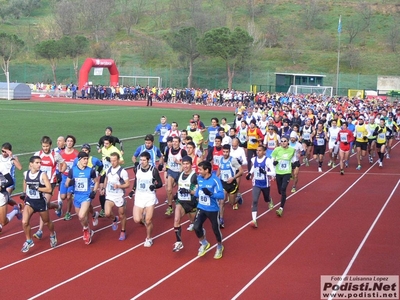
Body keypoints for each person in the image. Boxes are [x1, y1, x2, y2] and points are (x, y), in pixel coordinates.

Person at [20, 156, 57, 253]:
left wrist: (37, 188)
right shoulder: (26, 173)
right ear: (31, 164)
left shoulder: (42, 175)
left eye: (40, 162)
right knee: (24, 222)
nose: (39, 164)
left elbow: (49, 189)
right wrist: (24, 192)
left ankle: (52, 234)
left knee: (46, 222)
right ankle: (29, 241)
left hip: (40, 201)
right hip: (30, 201)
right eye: (37, 162)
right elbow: (25, 181)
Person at [33, 136, 67, 240]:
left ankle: (40, 230)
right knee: (45, 204)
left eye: (47, 146)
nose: (45, 148)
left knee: (43, 205)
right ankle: (57, 206)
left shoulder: (55, 155)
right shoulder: (37, 155)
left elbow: (64, 164)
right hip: (40, 182)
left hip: (50, 182)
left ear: (50, 145)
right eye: (43, 146)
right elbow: (32, 166)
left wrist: (60, 172)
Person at [129, 152, 163, 247]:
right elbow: (136, 180)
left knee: (148, 220)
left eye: (144, 160)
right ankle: (144, 220)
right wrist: (133, 190)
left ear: (148, 160)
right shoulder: (137, 169)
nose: (142, 162)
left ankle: (148, 238)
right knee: (137, 219)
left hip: (149, 197)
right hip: (139, 197)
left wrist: (154, 186)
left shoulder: (153, 170)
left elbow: (160, 183)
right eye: (141, 160)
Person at [65, 151, 99, 245]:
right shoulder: (73, 170)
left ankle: (85, 230)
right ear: (79, 159)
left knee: (81, 215)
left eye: (87, 159)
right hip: (77, 197)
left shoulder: (90, 170)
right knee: (81, 218)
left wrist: (94, 192)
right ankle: (88, 230)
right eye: (84, 159)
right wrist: (70, 183)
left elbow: (96, 182)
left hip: (86, 196)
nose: (86, 161)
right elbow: (66, 184)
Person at [194, 161, 225, 259]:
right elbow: (198, 191)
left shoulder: (215, 180)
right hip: (201, 207)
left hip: (212, 209)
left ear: (207, 170)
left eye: (200, 169)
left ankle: (220, 246)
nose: (198, 171)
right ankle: (204, 243)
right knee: (196, 226)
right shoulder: (199, 178)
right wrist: (192, 194)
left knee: (215, 229)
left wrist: (211, 194)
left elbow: (222, 195)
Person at [101, 152, 130, 241]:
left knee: (122, 215)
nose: (112, 162)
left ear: (118, 160)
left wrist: (119, 186)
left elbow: (128, 184)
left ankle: (123, 230)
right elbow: (106, 178)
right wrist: (104, 188)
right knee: (107, 213)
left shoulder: (122, 171)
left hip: (119, 196)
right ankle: (114, 220)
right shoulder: (108, 169)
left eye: (114, 160)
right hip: (109, 195)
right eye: (111, 160)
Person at [172, 156, 198, 252]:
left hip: (192, 203)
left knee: (195, 225)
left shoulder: (195, 176)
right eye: (184, 164)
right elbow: (178, 187)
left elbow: (197, 192)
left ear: (191, 164)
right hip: (181, 202)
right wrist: (176, 194)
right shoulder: (180, 175)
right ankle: (179, 242)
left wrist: (188, 191)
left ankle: (202, 237)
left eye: (187, 164)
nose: (185, 166)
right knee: (176, 219)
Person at [245, 145, 275, 227]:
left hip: (265, 184)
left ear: (264, 152)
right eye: (257, 150)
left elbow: (273, 173)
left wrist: (265, 172)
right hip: (256, 183)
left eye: (260, 150)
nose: (258, 152)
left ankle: (269, 199)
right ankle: (254, 220)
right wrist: (249, 174)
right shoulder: (253, 159)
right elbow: (253, 167)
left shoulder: (267, 161)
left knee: (266, 199)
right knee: (254, 200)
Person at [99, 136, 124, 217]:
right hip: (104, 172)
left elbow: (122, 161)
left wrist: (111, 160)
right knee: (101, 192)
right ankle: (103, 209)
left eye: (107, 143)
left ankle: (119, 204)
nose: (105, 145)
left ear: (111, 143)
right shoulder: (103, 148)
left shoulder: (115, 150)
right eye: (104, 143)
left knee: (113, 190)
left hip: (112, 173)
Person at [271, 137, 295, 217]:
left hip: (287, 173)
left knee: (283, 189)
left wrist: (295, 164)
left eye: (285, 141)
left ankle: (281, 208)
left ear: (287, 142)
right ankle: (282, 196)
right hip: (278, 172)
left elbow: (294, 159)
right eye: (282, 141)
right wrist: (274, 163)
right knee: (280, 191)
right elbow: (272, 159)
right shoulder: (277, 150)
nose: (283, 142)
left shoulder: (292, 150)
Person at [163, 136, 187, 216]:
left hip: (180, 172)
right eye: (173, 141)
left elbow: (186, 164)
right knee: (169, 189)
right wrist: (165, 169)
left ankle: (181, 206)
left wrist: (178, 162)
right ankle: (170, 207)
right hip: (171, 171)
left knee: (179, 192)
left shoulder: (182, 151)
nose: (174, 143)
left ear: (179, 143)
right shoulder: (168, 150)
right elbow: (166, 161)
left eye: (176, 141)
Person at [218, 144, 244, 214]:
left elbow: (241, 171)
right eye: (224, 152)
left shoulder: (233, 160)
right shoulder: (220, 159)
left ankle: (238, 197)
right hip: (223, 183)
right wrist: (216, 178)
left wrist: (233, 178)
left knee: (231, 203)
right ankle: (221, 219)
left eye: (227, 152)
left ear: (229, 152)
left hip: (232, 184)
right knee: (222, 202)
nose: (225, 153)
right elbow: (219, 169)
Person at [59, 135, 79, 220]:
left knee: (68, 196)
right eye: (68, 141)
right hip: (64, 176)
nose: (69, 142)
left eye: (71, 141)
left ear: (73, 143)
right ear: (65, 142)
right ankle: (58, 206)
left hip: (72, 178)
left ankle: (68, 212)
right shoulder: (61, 153)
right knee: (62, 197)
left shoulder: (76, 153)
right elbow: (59, 164)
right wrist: (59, 172)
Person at [0, 168, 22, 233]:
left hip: (1, 195)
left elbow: (10, 181)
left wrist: (2, 187)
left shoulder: (1, 167)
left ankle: (16, 211)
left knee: (4, 222)